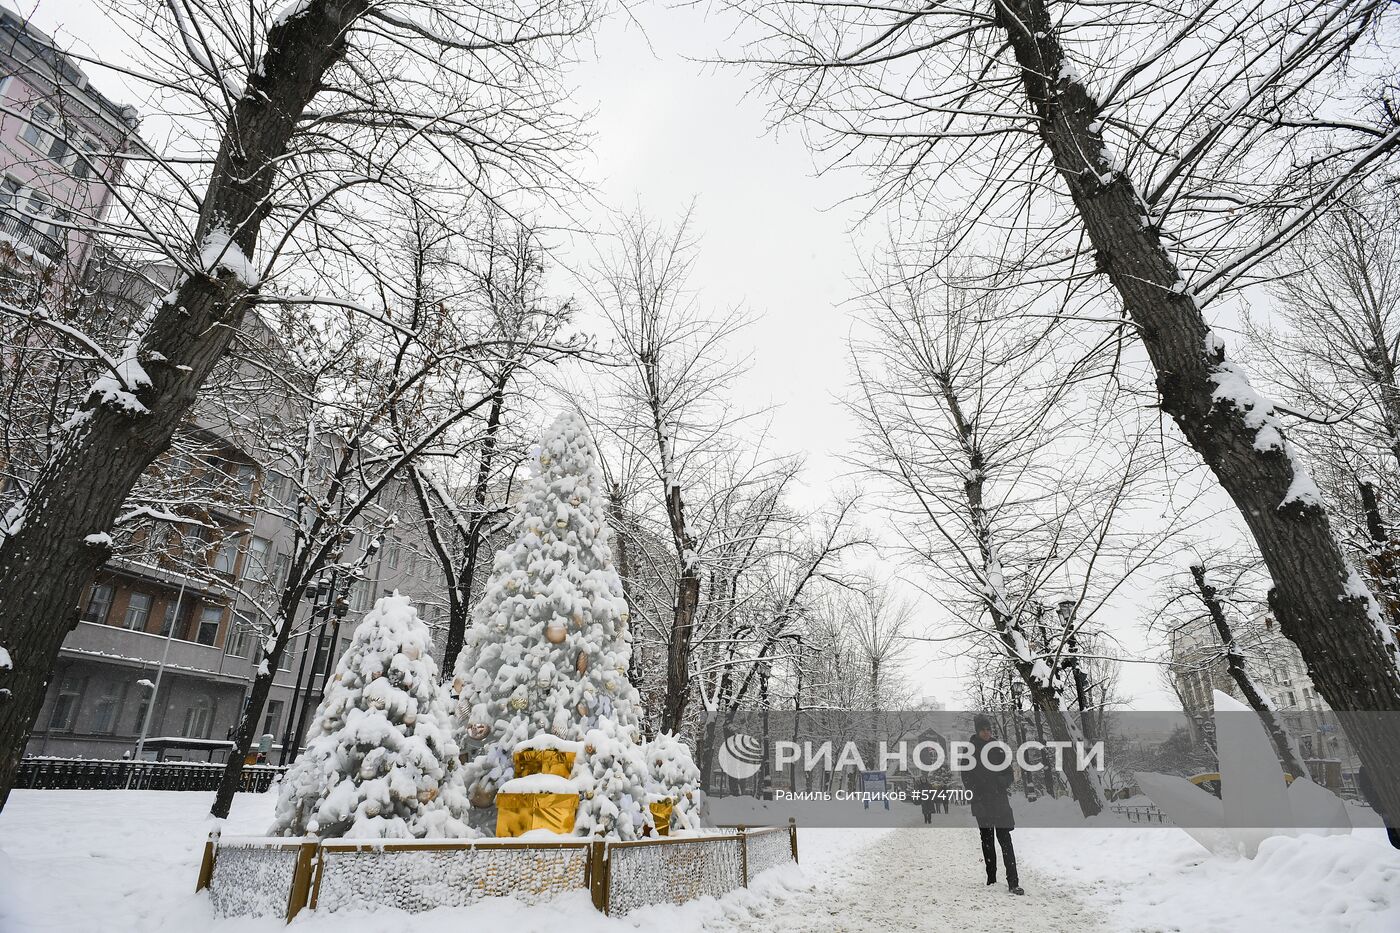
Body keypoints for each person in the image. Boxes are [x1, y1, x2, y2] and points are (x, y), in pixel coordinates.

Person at [962, 714, 1024, 895]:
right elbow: (966, 777)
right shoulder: (969, 751)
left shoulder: (998, 749)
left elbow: (1010, 774)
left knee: (1006, 841)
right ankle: (991, 879)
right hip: (982, 802)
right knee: (987, 841)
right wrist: (976, 797)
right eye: (983, 729)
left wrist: (1000, 782)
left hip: (1000, 801)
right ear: (977, 730)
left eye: (988, 729)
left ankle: (1013, 882)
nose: (986, 732)